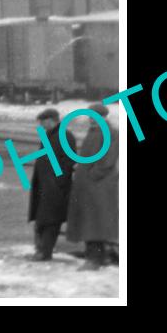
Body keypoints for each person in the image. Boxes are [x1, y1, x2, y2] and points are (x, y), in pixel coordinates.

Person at [66, 103, 119, 270]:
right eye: (90, 116)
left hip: (98, 185)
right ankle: (98, 257)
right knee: (92, 221)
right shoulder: (96, 131)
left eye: (94, 116)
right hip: (90, 185)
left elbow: (108, 160)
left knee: (95, 222)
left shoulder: (109, 133)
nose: (91, 119)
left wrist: (92, 175)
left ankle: (94, 260)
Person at [27, 108, 77, 261]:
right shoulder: (49, 135)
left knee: (51, 219)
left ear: (51, 120)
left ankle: (44, 252)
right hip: (44, 184)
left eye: (43, 122)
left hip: (55, 186)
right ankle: (41, 250)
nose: (41, 125)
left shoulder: (65, 136)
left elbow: (69, 161)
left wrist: (58, 181)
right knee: (43, 217)